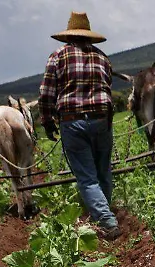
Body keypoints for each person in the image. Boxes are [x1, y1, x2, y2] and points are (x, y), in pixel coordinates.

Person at [39, 12, 120, 239]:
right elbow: (108, 87)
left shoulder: (57, 57)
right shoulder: (103, 58)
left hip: (72, 122)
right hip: (102, 119)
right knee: (103, 169)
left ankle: (107, 222)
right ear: (89, 36)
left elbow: (46, 94)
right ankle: (104, 213)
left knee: (86, 177)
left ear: (69, 36)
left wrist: (47, 122)